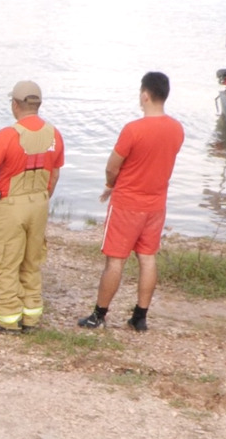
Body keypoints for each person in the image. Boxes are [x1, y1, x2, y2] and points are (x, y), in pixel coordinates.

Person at [78, 71, 184, 332]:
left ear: (145, 96)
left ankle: (99, 315)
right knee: (147, 258)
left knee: (115, 261)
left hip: (127, 203)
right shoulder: (177, 129)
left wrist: (110, 185)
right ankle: (140, 316)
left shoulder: (133, 129)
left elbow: (112, 166)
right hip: (156, 204)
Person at [0, 80, 64, 333]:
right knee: (31, 261)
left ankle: (7, 318)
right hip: (39, 202)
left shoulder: (6, 135)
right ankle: (31, 315)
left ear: (15, 104)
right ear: (38, 104)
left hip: (11, 204)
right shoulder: (54, 134)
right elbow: (54, 175)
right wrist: (43, 198)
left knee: (3, 261)